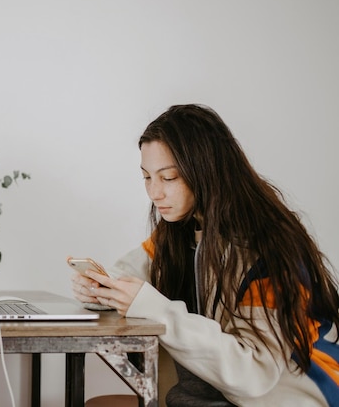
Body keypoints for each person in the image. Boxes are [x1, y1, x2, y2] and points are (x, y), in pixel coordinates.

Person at [71, 104, 339, 406]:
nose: (154, 192)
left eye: (168, 178)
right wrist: (101, 291)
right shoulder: (181, 230)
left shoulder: (268, 248)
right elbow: (129, 276)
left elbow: (253, 374)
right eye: (147, 177)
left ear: (206, 171)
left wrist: (154, 308)